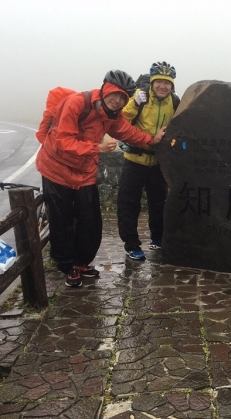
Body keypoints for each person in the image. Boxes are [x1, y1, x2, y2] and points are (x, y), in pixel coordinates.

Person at [36, 70, 166, 288]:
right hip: (56, 169)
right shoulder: (77, 103)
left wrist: (153, 140)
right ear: (104, 88)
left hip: (84, 171)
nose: (117, 100)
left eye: (123, 97)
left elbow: (129, 133)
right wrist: (97, 148)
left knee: (90, 220)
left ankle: (82, 262)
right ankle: (67, 266)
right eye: (115, 94)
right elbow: (62, 141)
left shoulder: (112, 115)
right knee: (62, 219)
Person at [118, 61, 179, 260]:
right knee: (129, 204)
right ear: (152, 83)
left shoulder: (175, 102)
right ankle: (132, 244)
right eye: (159, 81)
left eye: (167, 82)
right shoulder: (140, 99)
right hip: (135, 159)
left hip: (159, 163)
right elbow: (121, 123)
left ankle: (158, 238)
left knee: (159, 203)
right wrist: (134, 103)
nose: (163, 86)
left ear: (172, 85)